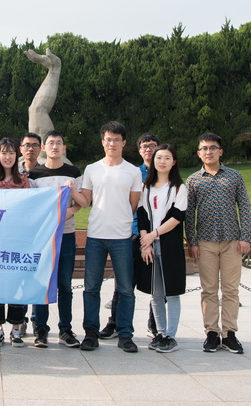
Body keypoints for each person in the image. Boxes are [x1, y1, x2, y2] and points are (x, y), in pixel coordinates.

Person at [70, 121, 142, 353]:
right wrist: (72, 191)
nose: (112, 143)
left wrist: (120, 220)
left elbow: (132, 205)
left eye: (116, 139)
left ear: (124, 142)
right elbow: (86, 201)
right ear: (102, 142)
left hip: (122, 237)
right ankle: (91, 334)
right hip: (96, 236)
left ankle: (125, 334)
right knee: (91, 288)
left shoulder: (132, 171)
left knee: (126, 289)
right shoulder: (92, 169)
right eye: (108, 139)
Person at [186, 133, 251, 354]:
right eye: (204, 148)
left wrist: (245, 237)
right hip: (205, 242)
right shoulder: (193, 180)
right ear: (199, 153)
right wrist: (192, 242)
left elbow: (244, 207)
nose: (209, 152)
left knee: (231, 290)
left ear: (220, 151)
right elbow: (189, 214)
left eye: (213, 148)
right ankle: (212, 333)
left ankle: (229, 333)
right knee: (209, 290)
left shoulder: (234, 176)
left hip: (232, 241)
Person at [99, 133, 160, 340]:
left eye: (153, 145)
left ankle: (156, 325)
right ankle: (115, 323)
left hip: (160, 234)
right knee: (124, 283)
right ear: (139, 150)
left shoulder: (166, 173)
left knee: (158, 285)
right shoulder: (133, 172)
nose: (149, 149)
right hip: (132, 233)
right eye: (145, 146)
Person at [29, 130, 82, 349]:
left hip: (66, 233)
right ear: (44, 147)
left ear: (63, 148)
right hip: (43, 236)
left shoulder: (73, 172)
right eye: (50, 143)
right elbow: (30, 205)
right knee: (42, 282)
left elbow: (82, 201)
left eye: (59, 143)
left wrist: (69, 211)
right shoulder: (34, 174)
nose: (55, 146)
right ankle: (41, 329)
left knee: (65, 285)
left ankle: (65, 329)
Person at [137, 144, 187, 353]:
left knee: (171, 292)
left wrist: (153, 234)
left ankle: (170, 336)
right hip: (150, 245)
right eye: (159, 157)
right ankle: (160, 332)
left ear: (173, 162)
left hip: (169, 244)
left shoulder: (179, 188)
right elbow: (141, 214)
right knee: (156, 293)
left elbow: (177, 216)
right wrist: (145, 242)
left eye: (167, 158)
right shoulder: (146, 187)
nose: (162, 161)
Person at [0, 137, 30, 348]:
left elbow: (30, 208)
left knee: (17, 284)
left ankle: (16, 328)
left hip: (17, 239)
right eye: (4, 152)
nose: (8, 157)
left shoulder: (23, 181)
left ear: (16, 155)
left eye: (11, 153)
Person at [17, 132, 42, 336]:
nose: (30, 149)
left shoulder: (45, 172)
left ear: (40, 149)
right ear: (21, 149)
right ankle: (20, 319)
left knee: (37, 278)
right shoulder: (13, 171)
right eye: (27, 145)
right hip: (18, 233)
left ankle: (36, 320)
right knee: (20, 278)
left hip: (40, 233)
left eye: (34, 145)